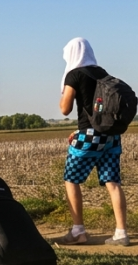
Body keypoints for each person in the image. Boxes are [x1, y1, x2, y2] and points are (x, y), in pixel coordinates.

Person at [52, 37, 131, 247]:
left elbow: (65, 109)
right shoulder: (102, 73)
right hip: (111, 135)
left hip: (89, 136)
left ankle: (78, 231)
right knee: (113, 183)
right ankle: (121, 233)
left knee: (72, 179)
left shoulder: (74, 74)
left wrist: (65, 90)